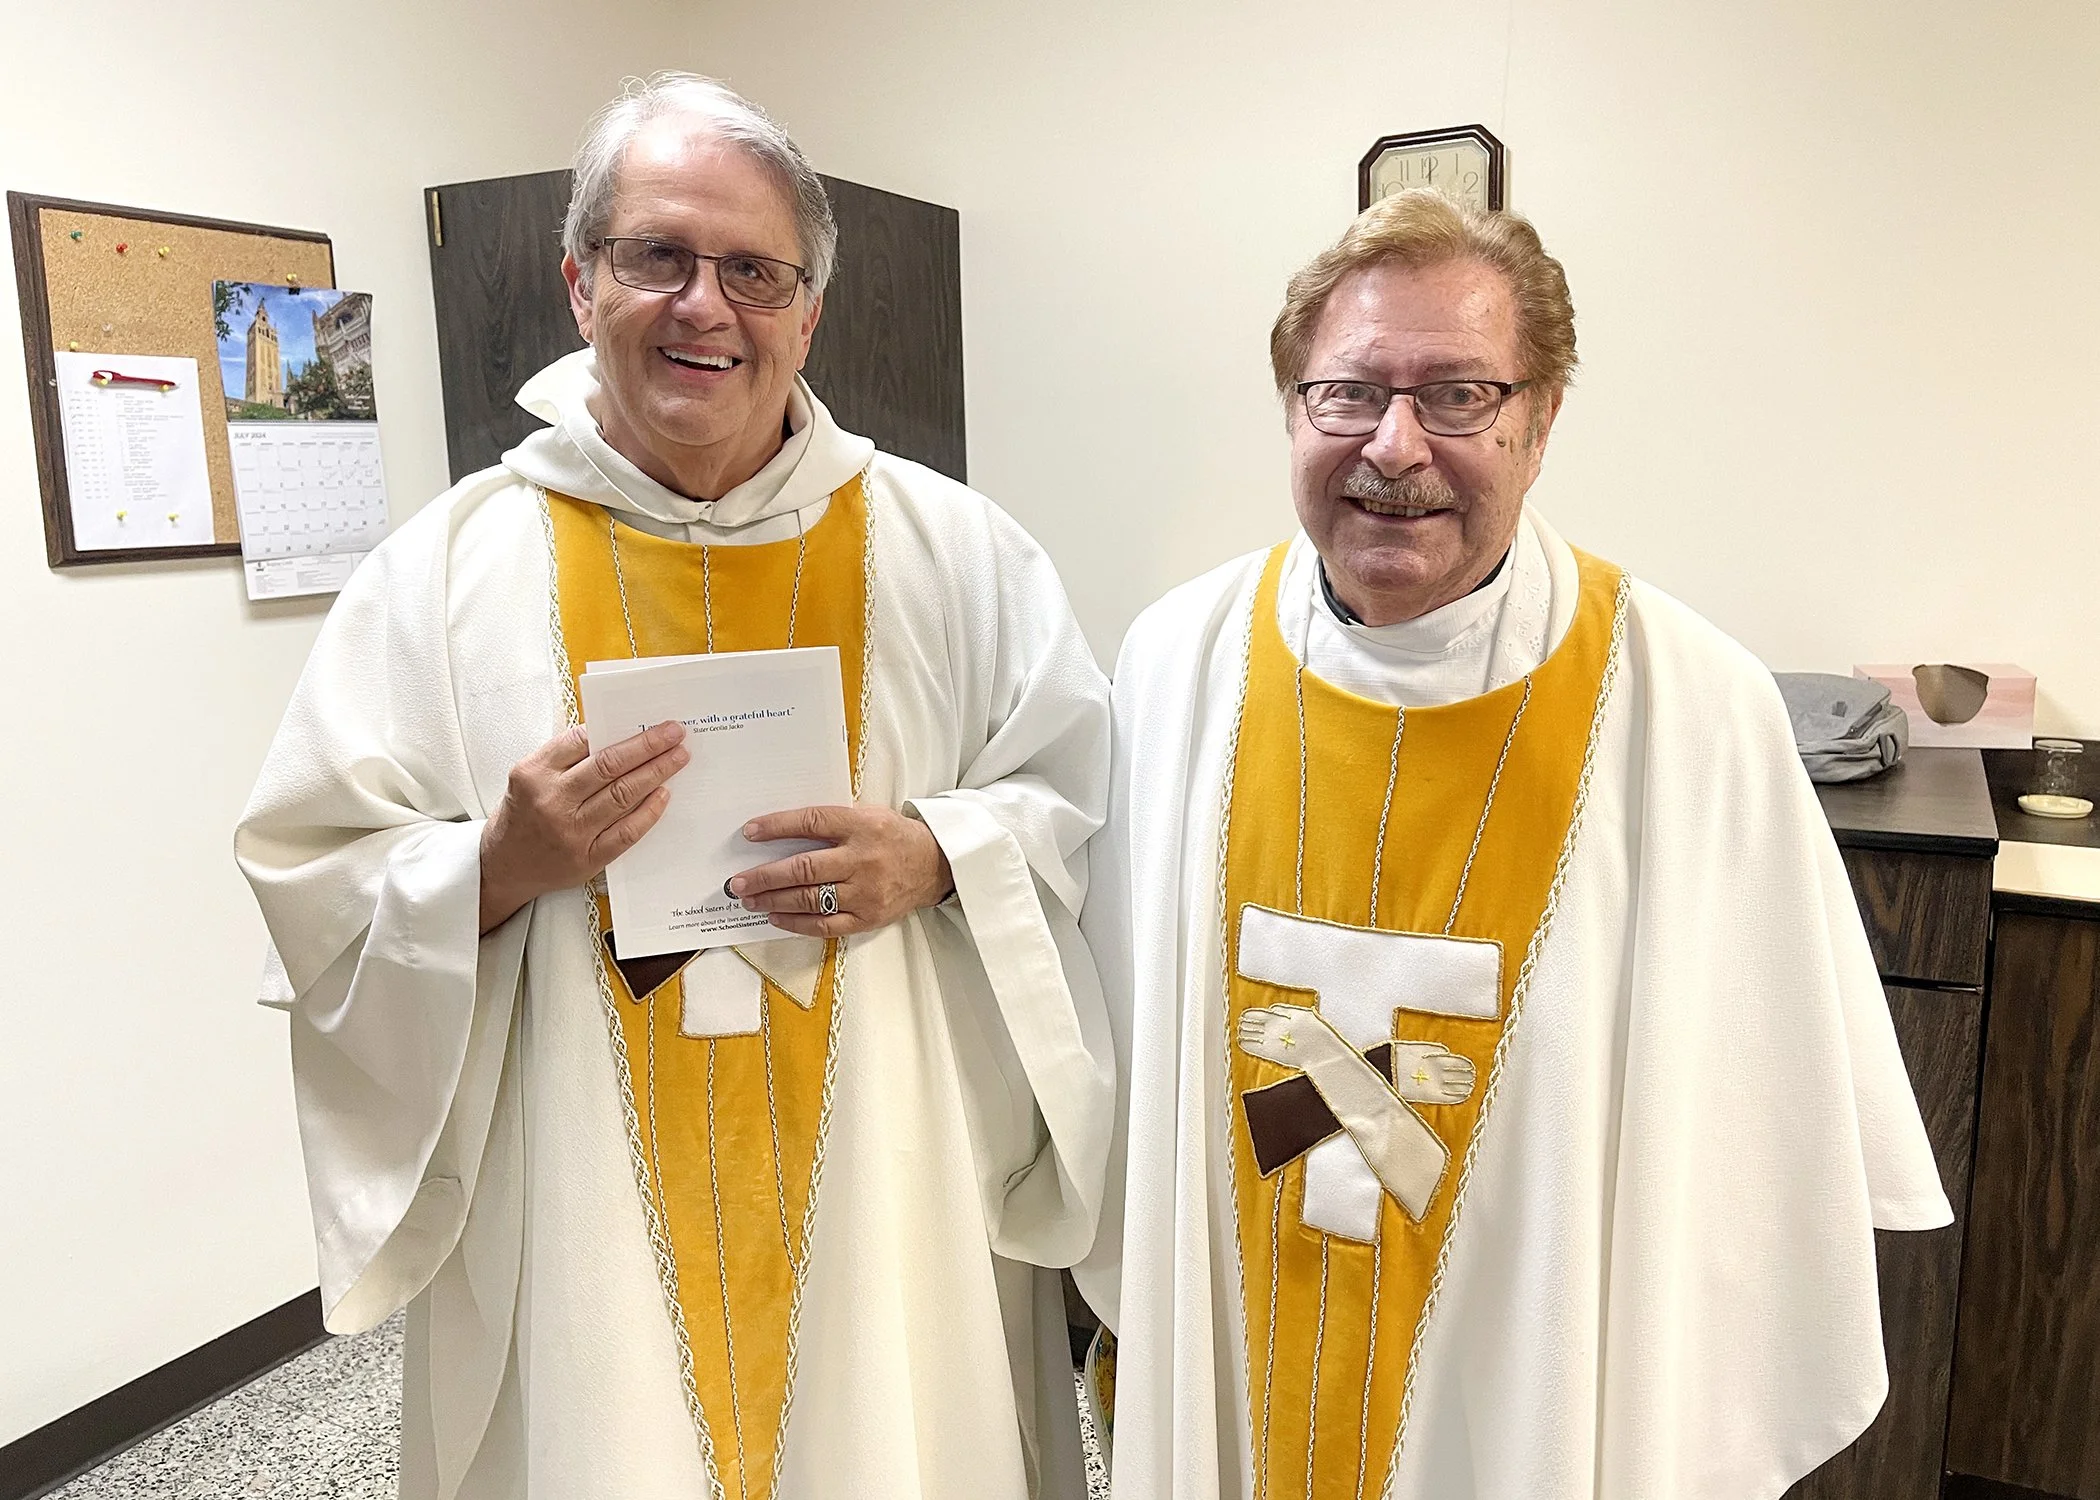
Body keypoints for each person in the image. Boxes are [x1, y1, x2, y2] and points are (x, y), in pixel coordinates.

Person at [237, 73, 1111, 1500]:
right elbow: (311, 871)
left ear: (809, 312)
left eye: (755, 271)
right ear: (581, 283)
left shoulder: (959, 553)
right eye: (658, 256)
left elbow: (1071, 792)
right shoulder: (448, 573)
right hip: (576, 1184)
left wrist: (939, 854)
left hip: (885, 1172)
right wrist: (497, 864)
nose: (705, 304)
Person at [1073, 189, 1951, 1500]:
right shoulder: (1178, 661)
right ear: (1293, 412)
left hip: (1535, 1405)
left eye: (1459, 396)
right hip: (1243, 1376)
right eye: (1349, 393)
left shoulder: (1686, 704)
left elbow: (1750, 1163)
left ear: (1540, 422)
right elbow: (1116, 1060)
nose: (1396, 445)